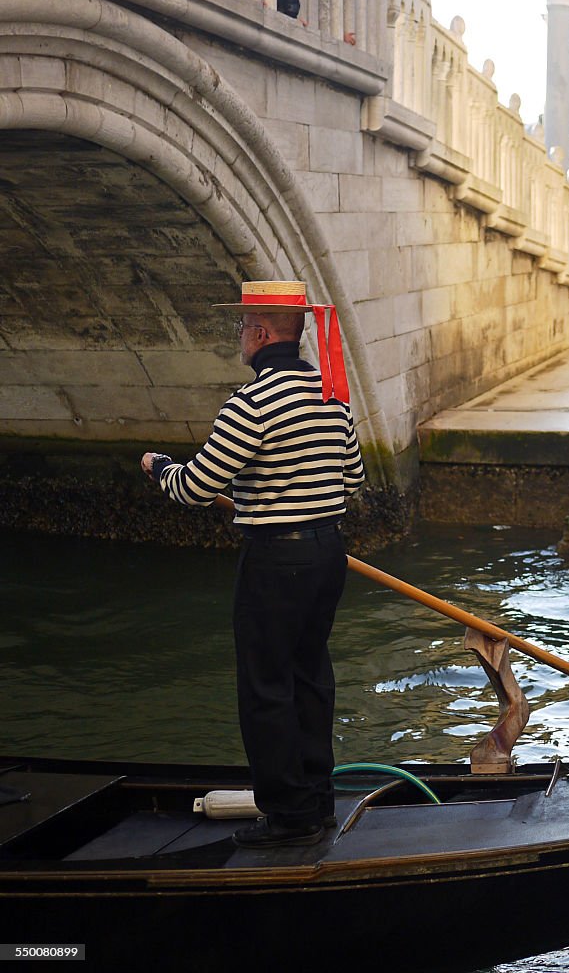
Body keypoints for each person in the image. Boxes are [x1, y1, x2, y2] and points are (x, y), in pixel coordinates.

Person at [141, 281, 364, 848]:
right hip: (327, 554)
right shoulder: (330, 392)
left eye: (243, 327)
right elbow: (354, 480)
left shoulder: (251, 404)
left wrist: (160, 468)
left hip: (275, 560)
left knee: (265, 688)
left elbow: (196, 487)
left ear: (262, 334)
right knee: (310, 677)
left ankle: (289, 816)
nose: (239, 336)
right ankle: (316, 800)